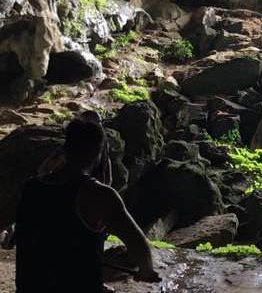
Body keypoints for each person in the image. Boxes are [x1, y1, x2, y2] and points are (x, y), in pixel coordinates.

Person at [16, 119, 160, 293]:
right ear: (97, 154)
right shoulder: (100, 195)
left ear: (66, 148)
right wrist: (146, 270)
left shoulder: (30, 188)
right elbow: (137, 242)